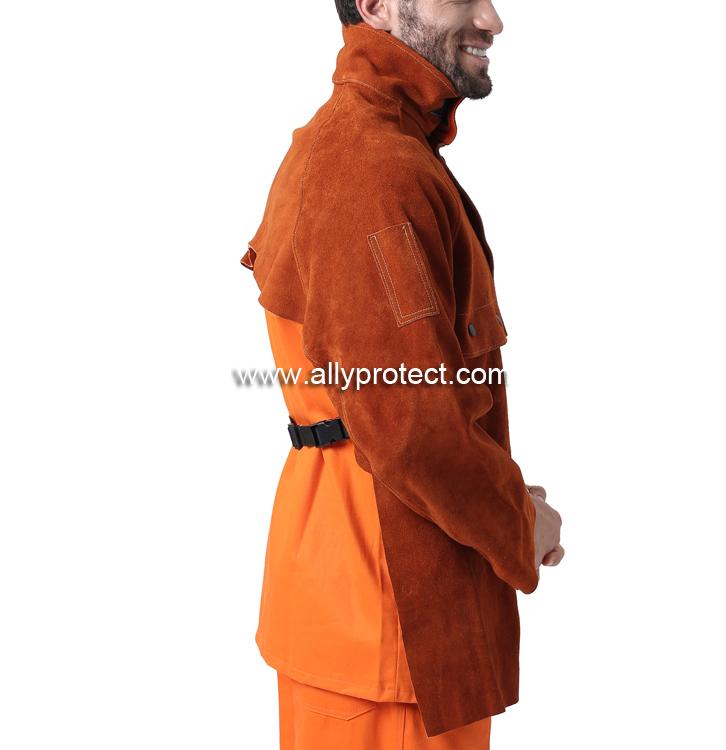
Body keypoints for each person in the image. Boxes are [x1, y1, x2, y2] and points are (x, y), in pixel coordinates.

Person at [240, 2, 564, 747]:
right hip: (388, 621)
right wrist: (517, 522)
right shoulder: (372, 169)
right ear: (377, 4)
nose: (492, 18)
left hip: (370, 608)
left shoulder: (356, 145)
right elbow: (410, 429)